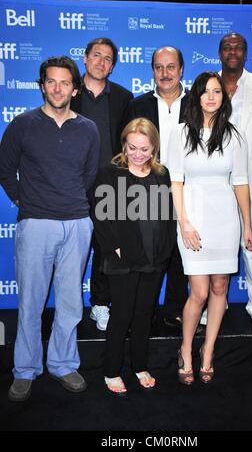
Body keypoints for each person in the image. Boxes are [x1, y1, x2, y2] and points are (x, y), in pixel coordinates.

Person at [0, 56, 100, 401]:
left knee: (71, 301)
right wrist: (26, 203)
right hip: (36, 224)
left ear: (74, 88)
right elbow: (5, 169)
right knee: (31, 301)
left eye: (64, 82)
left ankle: (62, 363)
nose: (58, 88)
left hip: (76, 223)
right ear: (42, 85)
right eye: (51, 82)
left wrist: (74, 207)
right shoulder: (22, 124)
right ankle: (25, 369)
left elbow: (89, 177)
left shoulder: (88, 128)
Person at [167, 71, 252, 385]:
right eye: (205, 91)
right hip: (193, 216)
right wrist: (185, 222)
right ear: (196, 96)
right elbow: (175, 182)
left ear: (224, 97)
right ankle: (186, 349)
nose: (211, 97)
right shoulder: (180, 134)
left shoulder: (235, 135)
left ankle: (207, 351)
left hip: (225, 220)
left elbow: (241, 182)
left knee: (220, 288)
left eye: (217, 91)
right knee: (199, 292)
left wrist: (247, 226)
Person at [200, 32, 252, 333]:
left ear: (246, 53)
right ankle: (213, 305)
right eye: (227, 47)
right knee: (212, 246)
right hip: (213, 183)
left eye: (238, 47)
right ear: (219, 52)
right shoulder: (208, 87)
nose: (232, 51)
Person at [91, 118, 176, 396]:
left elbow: (166, 217)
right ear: (124, 145)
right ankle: (111, 371)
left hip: (154, 259)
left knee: (144, 315)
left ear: (154, 148)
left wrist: (165, 251)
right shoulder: (110, 172)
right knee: (122, 315)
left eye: (145, 149)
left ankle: (140, 366)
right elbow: (101, 217)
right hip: (122, 259)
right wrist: (115, 248)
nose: (138, 155)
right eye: (132, 148)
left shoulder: (162, 174)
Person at [71, 37, 133, 331]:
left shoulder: (123, 97)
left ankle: (99, 304)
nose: (101, 62)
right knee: (71, 249)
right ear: (84, 58)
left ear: (113, 65)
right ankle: (68, 308)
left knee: (105, 248)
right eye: (96, 56)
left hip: (110, 186)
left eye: (108, 59)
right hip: (71, 185)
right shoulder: (67, 93)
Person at [126, 46, 189, 328]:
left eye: (170, 67)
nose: (165, 73)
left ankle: (175, 307)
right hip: (147, 187)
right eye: (159, 67)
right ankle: (145, 309)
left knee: (178, 251)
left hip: (187, 187)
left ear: (181, 69)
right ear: (152, 71)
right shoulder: (137, 105)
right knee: (147, 250)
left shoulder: (196, 103)